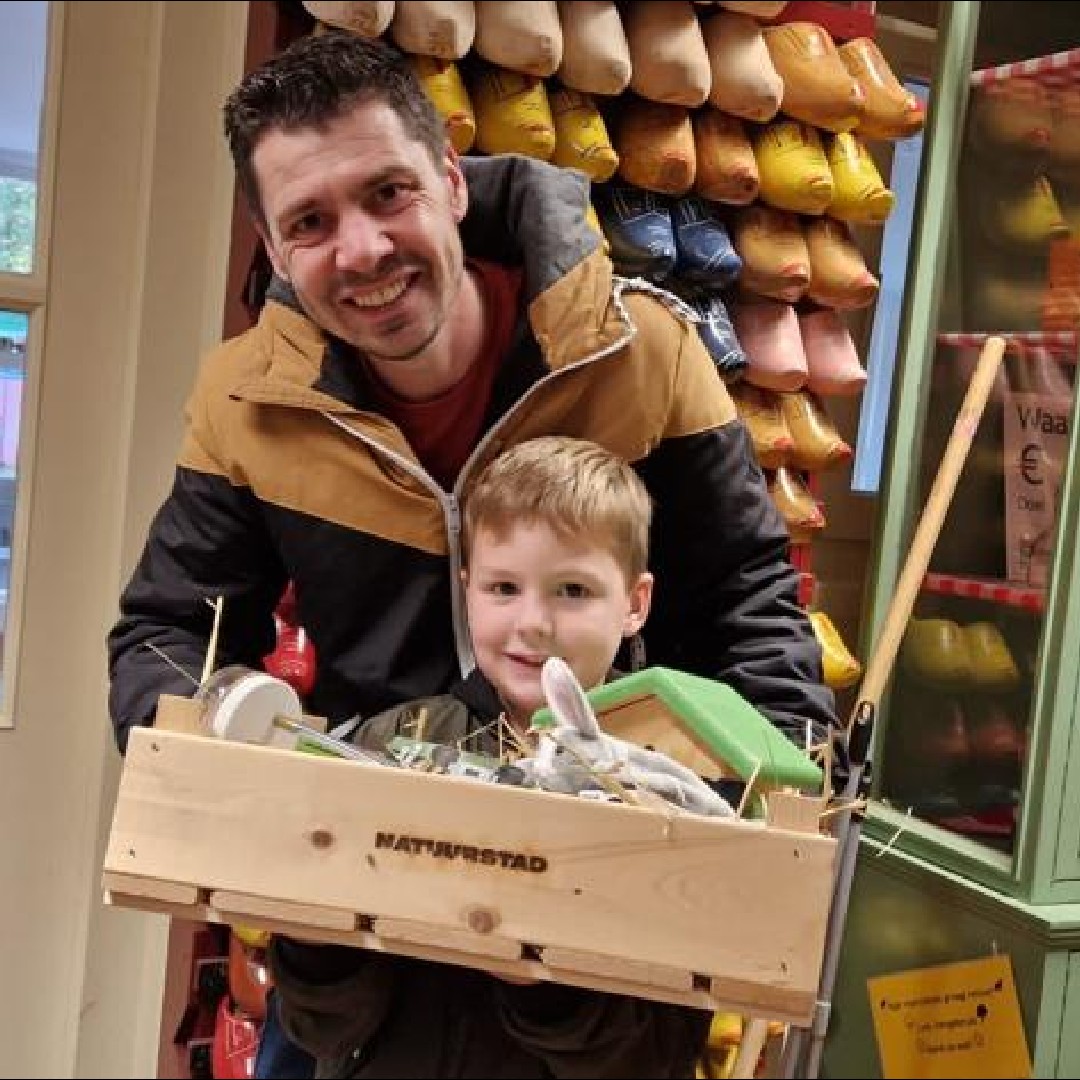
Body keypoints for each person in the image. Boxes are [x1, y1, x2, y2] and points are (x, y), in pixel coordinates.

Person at [106, 28, 837, 1078]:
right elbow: (165, 630)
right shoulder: (245, 399)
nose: (359, 250)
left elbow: (749, 603)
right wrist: (238, 757)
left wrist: (754, 826)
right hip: (364, 946)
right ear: (271, 249)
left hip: (604, 949)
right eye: (309, 222)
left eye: (387, 193)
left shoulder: (648, 357)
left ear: (451, 181)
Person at [265, 434, 718, 1077]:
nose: (532, 622)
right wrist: (315, 947)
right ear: (466, 588)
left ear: (635, 603)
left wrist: (545, 981)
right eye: (504, 587)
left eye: (573, 591)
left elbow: (658, 1052)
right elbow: (319, 1029)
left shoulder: (671, 786)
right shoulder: (384, 746)